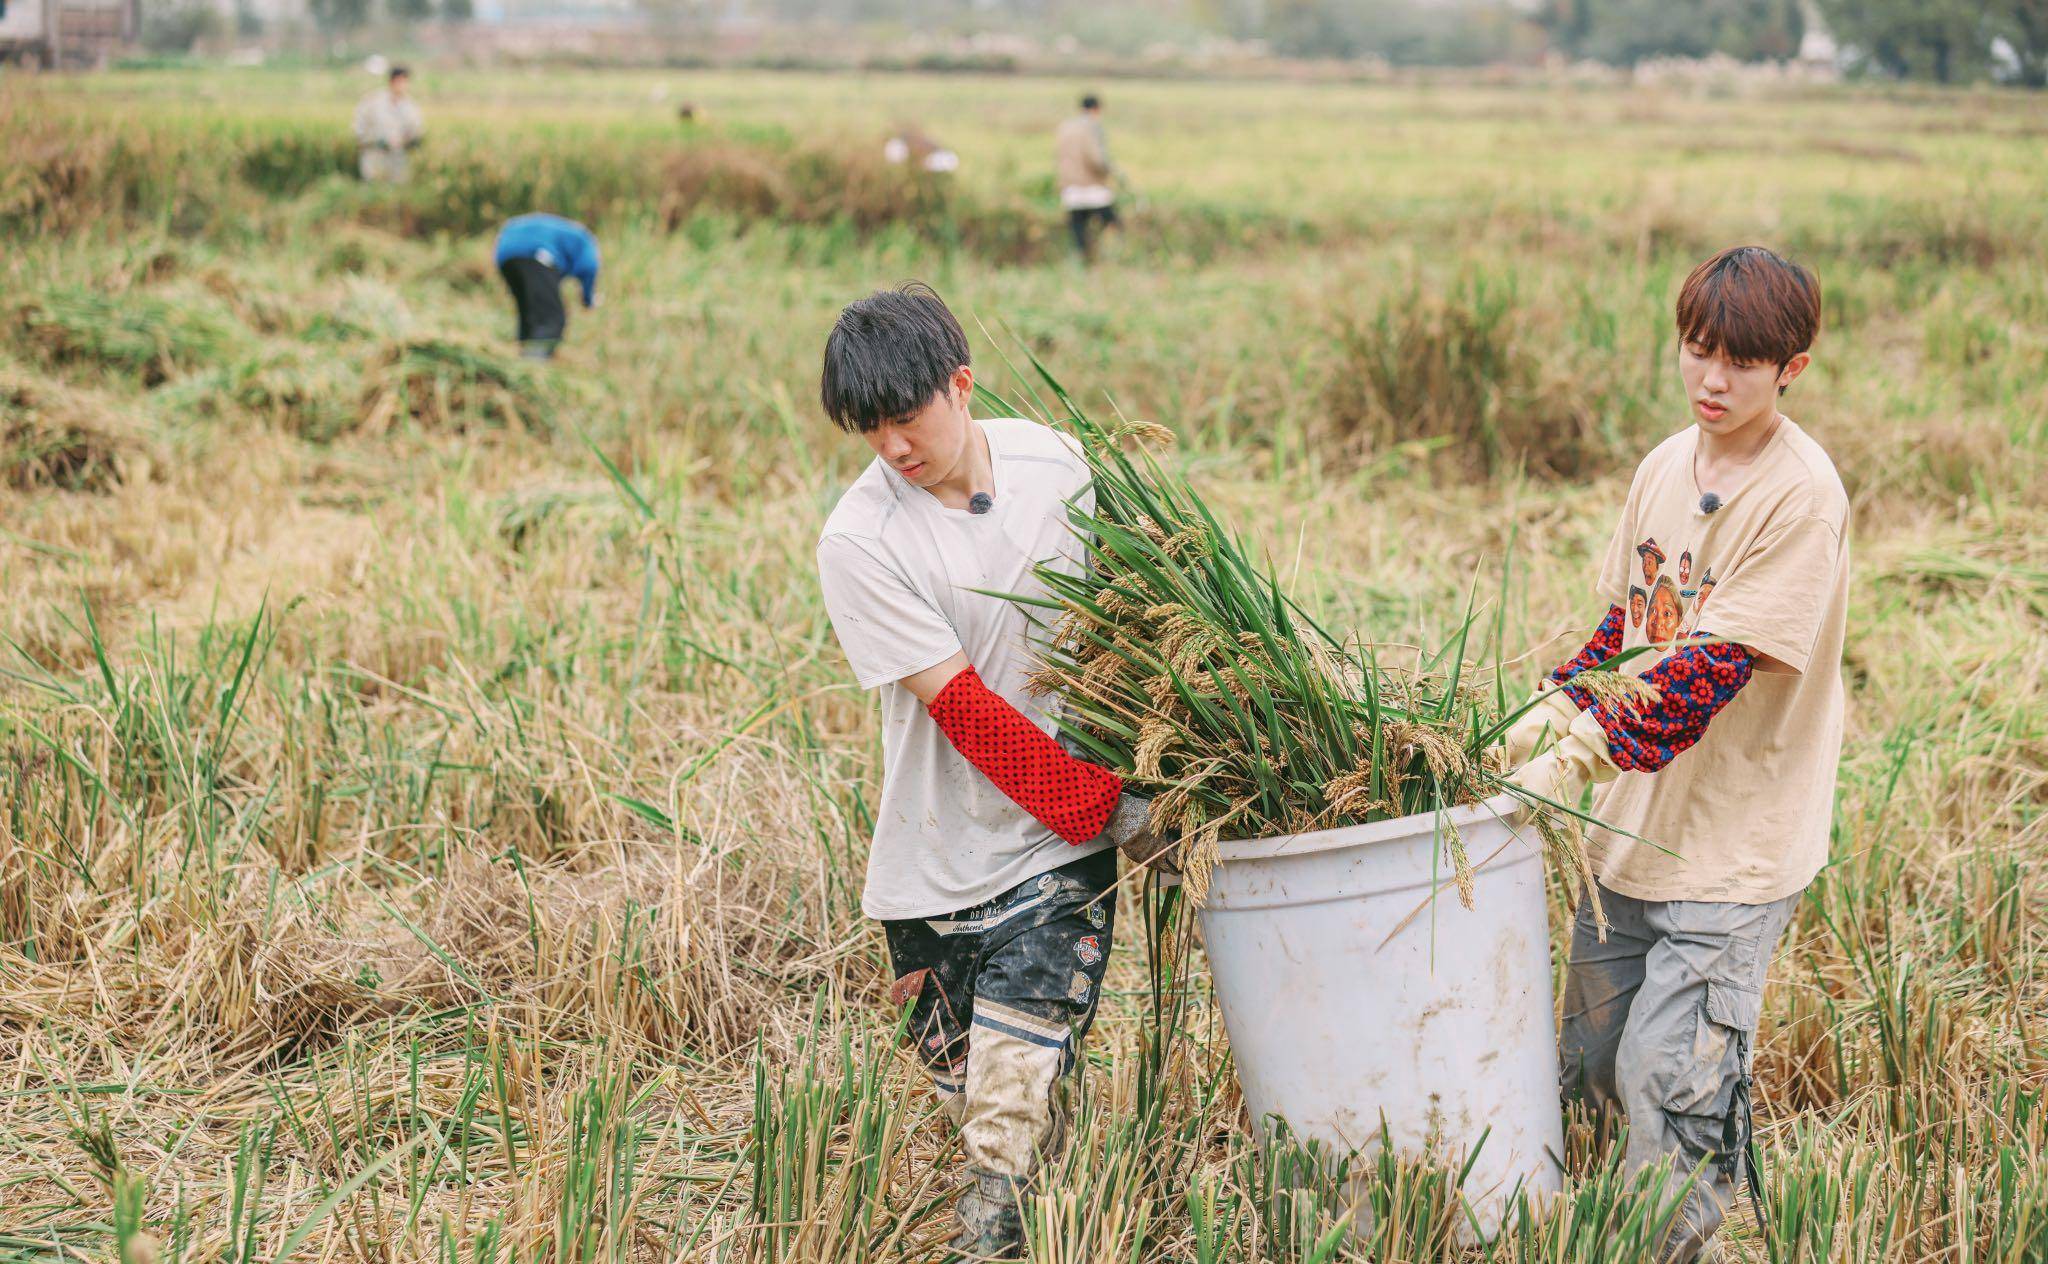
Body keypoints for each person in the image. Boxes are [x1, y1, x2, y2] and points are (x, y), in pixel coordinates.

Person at [1503, 245, 1848, 1263]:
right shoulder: (1664, 463)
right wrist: (1540, 712)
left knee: (1670, 1071)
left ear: (1790, 365)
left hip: (1730, 847)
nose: (1711, 380)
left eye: (1740, 363)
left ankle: (1668, 1246)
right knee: (1587, 1060)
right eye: (1697, 352)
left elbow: (1698, 676)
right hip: (1629, 839)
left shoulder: (1799, 497)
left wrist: (1568, 758)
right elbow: (1625, 629)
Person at [814, 283, 1174, 1259]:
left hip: (1053, 855)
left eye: (904, 416)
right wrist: (1120, 812)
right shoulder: (859, 542)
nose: (891, 446)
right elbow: (965, 713)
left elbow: (1126, 625)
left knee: (1002, 1141)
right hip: (927, 876)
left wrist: (1133, 795)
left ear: (959, 384)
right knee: (997, 1114)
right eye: (868, 428)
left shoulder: (1054, 464)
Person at [493, 214, 599, 361]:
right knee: (552, 318)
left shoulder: (564, 233)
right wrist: (588, 300)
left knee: (529, 312)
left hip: (504, 253)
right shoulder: (586, 240)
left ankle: (522, 359)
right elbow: (589, 267)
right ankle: (534, 365)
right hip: (536, 253)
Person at [1054, 94, 1119, 264]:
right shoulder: (1092, 128)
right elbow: (1096, 159)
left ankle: (1083, 263)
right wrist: (1109, 172)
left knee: (1078, 229)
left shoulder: (1065, 127)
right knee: (1112, 224)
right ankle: (1110, 259)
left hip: (1070, 187)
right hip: (1092, 186)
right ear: (1096, 109)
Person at [353, 65, 425, 184]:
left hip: (399, 162)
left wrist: (408, 140)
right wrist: (378, 140)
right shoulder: (372, 101)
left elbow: (417, 131)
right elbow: (359, 128)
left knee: (397, 193)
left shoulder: (411, 107)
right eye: (399, 81)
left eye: (405, 82)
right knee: (375, 192)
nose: (402, 85)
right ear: (391, 81)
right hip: (375, 159)